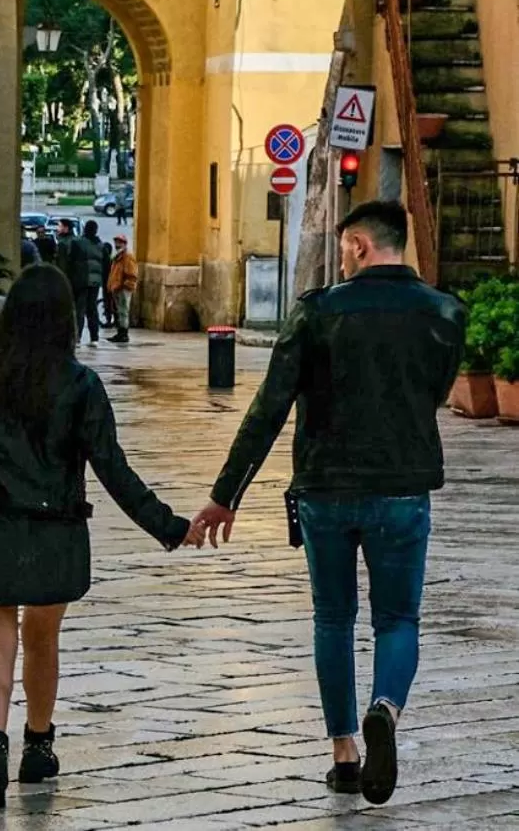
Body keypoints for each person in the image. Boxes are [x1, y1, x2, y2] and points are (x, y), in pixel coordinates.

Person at [188, 200, 465, 807]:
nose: (340, 257)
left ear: (360, 245)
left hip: (325, 491)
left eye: (343, 247)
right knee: (398, 619)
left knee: (333, 618)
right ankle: (385, 709)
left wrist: (224, 495)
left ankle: (343, 752)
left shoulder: (319, 313)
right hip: (402, 488)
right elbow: (434, 393)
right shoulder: (445, 313)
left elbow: (268, 408)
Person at [0, 264, 193, 808]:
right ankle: (38, 744)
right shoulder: (81, 385)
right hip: (56, 531)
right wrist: (168, 526)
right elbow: (113, 468)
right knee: (43, 638)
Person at [58, 219, 99, 344]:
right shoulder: (99, 245)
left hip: (81, 280)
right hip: (95, 282)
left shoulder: (78, 243)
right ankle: (94, 337)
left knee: (79, 310)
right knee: (92, 309)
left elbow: (71, 262)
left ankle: (77, 337)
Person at [106, 233, 136, 343]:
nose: (117, 244)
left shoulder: (127, 256)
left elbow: (132, 273)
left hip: (123, 288)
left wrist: (126, 285)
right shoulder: (117, 257)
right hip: (117, 288)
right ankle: (120, 332)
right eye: (116, 242)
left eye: (119, 242)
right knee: (119, 311)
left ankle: (123, 334)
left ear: (124, 243)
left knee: (123, 311)